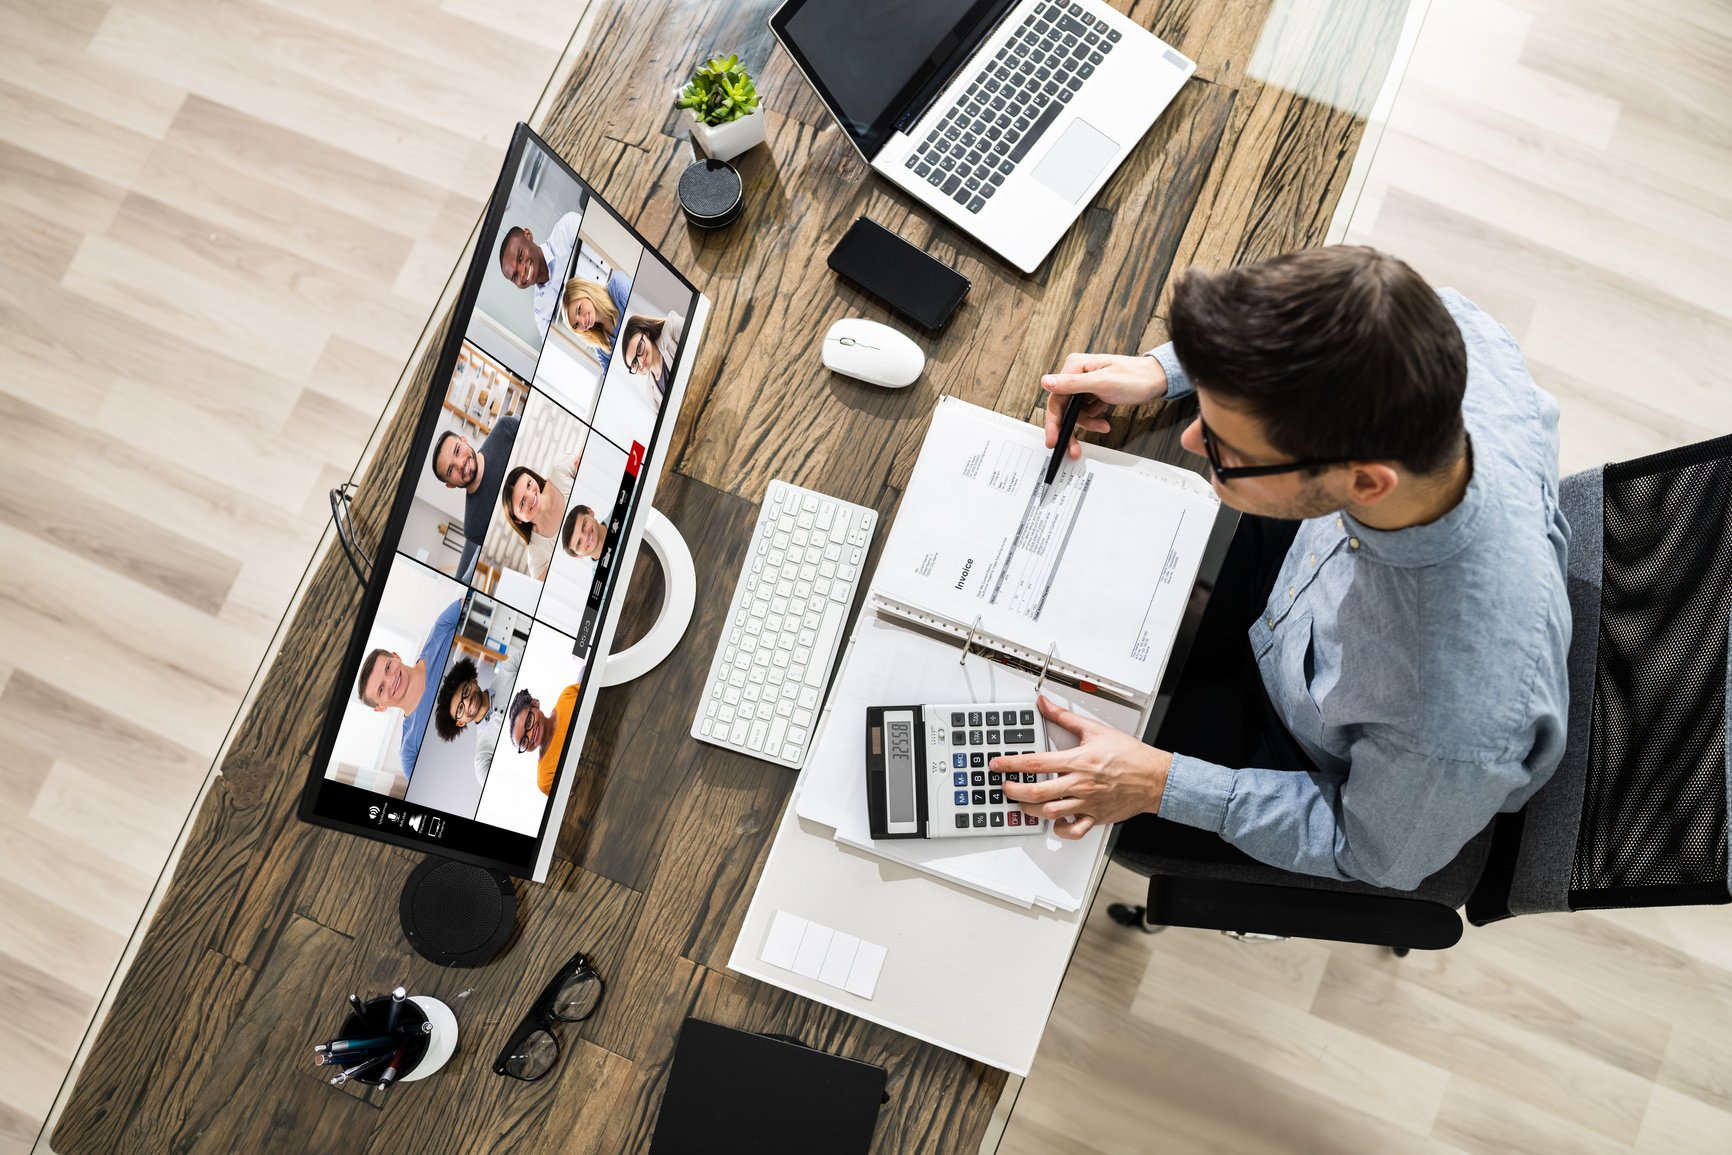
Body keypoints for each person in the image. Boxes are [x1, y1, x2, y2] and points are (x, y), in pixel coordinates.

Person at [995, 246, 1570, 892]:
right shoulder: (1443, 335)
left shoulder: (1447, 714)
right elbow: (1330, 318)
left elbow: (1373, 852)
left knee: (1047, 790)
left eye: (1223, 446)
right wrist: (1171, 372)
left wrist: (1157, 782)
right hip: (1294, 583)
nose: (1193, 440)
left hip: (1296, 749)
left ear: (1366, 482)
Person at [356, 597, 465, 777]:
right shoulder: (409, 753)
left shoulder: (441, 630)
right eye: (381, 689)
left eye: (388, 667)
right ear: (380, 707)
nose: (390, 681)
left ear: (396, 656)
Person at [429, 416, 520, 551]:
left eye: (457, 450)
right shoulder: (472, 529)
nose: (460, 464)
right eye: (450, 470)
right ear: (450, 484)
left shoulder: (504, 428)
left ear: (464, 440)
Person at [498, 211, 581, 335]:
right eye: (515, 276)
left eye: (520, 256)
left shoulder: (567, 229)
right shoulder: (540, 312)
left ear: (528, 235)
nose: (522, 271)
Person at [501, 454, 581, 580]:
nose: (531, 496)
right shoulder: (536, 558)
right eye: (522, 503)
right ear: (518, 520)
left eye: (528, 485)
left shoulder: (560, 471)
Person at [507, 683, 582, 796]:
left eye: (528, 722)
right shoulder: (545, 778)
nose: (531, 734)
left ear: (535, 703)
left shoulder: (568, 695)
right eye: (523, 741)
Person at [560, 270, 633, 375]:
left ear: (586, 292)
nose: (581, 322)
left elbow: (645, 315)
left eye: (579, 309)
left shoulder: (617, 286)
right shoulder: (600, 348)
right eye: (576, 325)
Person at [620, 311, 684, 401]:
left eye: (639, 349)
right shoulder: (651, 394)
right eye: (634, 363)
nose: (641, 361)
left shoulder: (672, 327)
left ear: (646, 333)